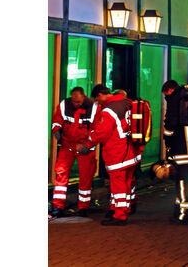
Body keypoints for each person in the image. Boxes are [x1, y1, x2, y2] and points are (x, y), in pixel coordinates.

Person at [80, 86, 141, 225]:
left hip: (117, 152)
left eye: (97, 100)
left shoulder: (109, 110)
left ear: (100, 95)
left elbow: (102, 133)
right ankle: (121, 209)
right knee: (127, 182)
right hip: (131, 150)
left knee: (118, 185)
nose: (98, 103)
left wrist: (87, 143)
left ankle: (120, 216)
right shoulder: (127, 102)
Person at [50, 87, 97, 219]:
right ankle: (58, 206)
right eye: (74, 101)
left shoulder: (93, 107)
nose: (76, 104)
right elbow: (56, 120)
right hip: (68, 145)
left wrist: (87, 145)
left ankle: (83, 207)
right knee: (61, 175)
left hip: (85, 147)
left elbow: (97, 129)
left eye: (78, 102)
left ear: (84, 96)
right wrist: (57, 130)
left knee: (85, 178)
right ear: (71, 97)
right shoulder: (64, 105)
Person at [162, 80, 188, 224]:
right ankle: (181, 210)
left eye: (166, 94)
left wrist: (166, 137)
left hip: (182, 148)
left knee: (183, 181)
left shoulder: (175, 100)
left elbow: (170, 124)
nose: (166, 97)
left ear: (170, 90)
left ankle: (185, 215)